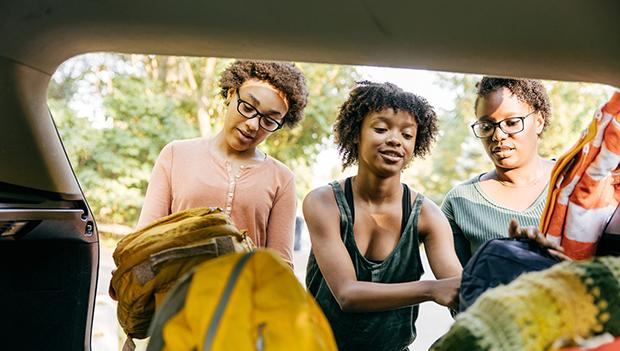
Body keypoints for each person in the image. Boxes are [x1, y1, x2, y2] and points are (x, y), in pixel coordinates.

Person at [304, 81, 462, 351]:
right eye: (380, 128)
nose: (395, 140)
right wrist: (431, 289)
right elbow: (347, 294)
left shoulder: (427, 216)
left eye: (407, 134)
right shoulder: (323, 203)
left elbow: (458, 288)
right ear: (356, 134)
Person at [136, 60, 308, 266]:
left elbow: (280, 265)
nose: (253, 125)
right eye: (248, 107)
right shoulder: (175, 154)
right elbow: (144, 241)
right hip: (175, 295)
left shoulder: (282, 179)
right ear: (231, 93)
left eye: (269, 121)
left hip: (243, 296)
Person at [441, 77, 555, 267]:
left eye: (511, 123)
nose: (498, 135)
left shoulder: (576, 182)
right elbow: (460, 288)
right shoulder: (459, 203)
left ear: (539, 121)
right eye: (486, 126)